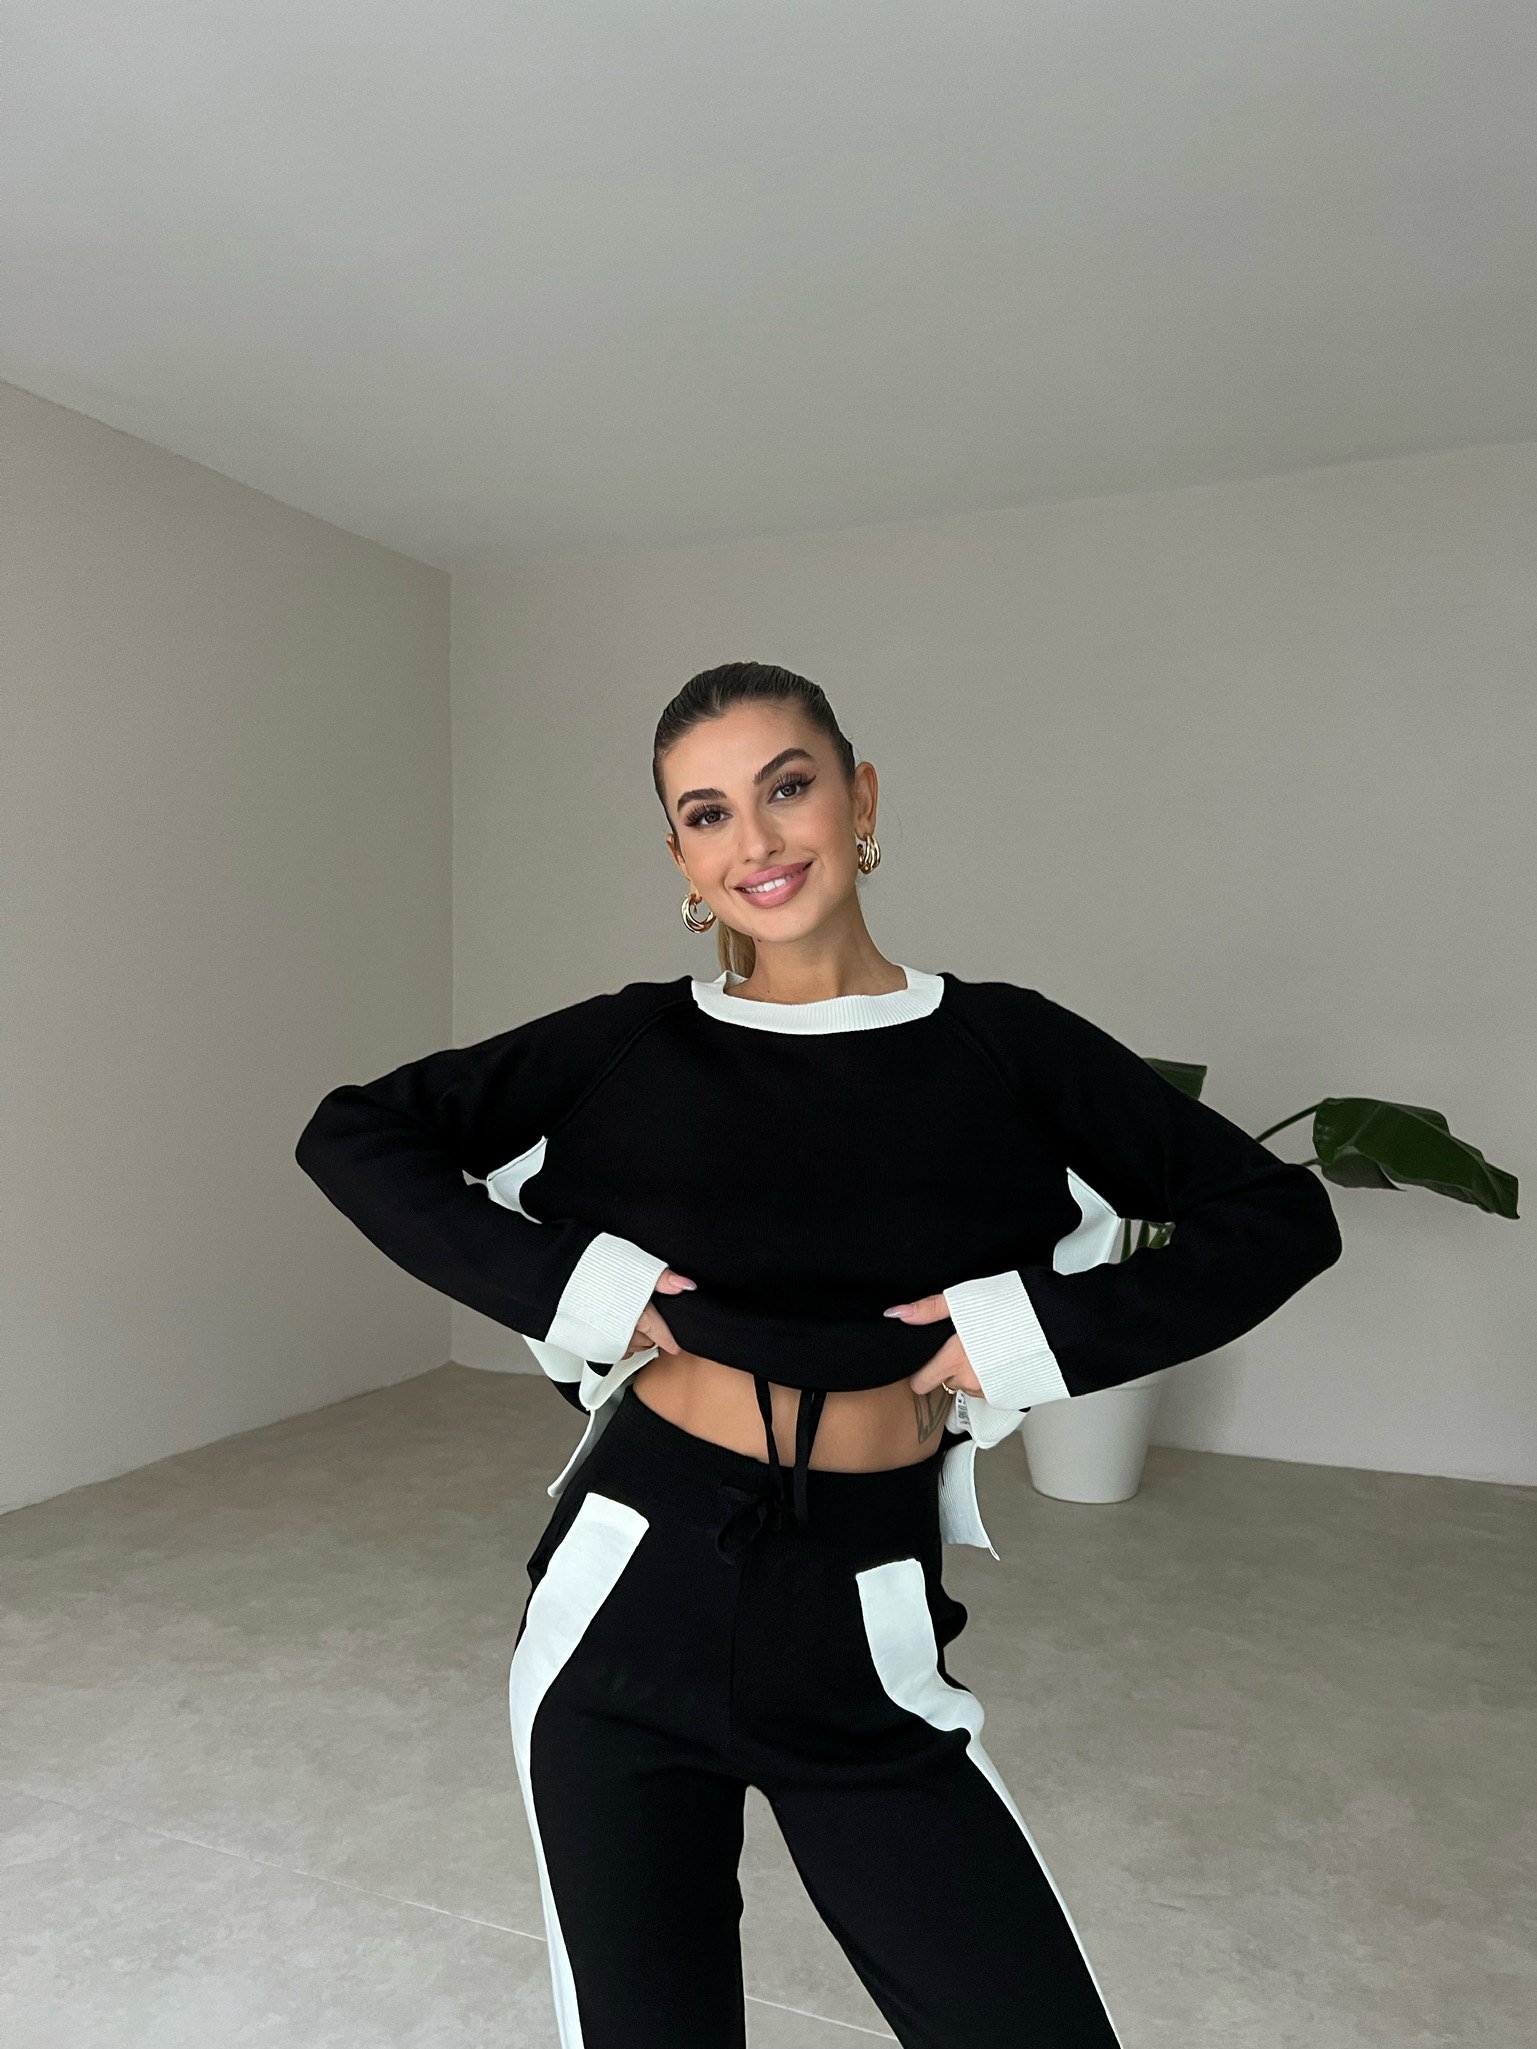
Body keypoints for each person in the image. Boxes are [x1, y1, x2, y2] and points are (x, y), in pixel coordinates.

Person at [295, 659, 1342, 2048]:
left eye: (786, 788)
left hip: (862, 1602)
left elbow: (1278, 1218)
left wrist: (1021, 1335)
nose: (757, 840)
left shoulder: (1002, 1045)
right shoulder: (632, 1042)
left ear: (860, 799)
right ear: (681, 857)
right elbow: (356, 1133)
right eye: (707, 813)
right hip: (627, 1597)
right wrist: (582, 1288)